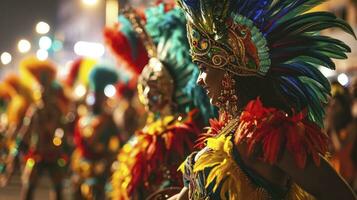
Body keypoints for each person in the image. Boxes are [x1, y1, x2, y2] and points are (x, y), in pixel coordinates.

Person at [170, 0, 357, 199]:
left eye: (204, 68)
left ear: (228, 70)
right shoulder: (227, 130)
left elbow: (340, 194)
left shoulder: (266, 131)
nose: (199, 80)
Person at [104, 4, 216, 199]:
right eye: (144, 85)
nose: (147, 93)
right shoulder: (154, 131)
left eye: (154, 85)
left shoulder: (175, 138)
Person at [17, 57, 70, 200]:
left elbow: (63, 128)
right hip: (37, 152)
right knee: (29, 185)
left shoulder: (56, 109)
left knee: (58, 187)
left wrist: (58, 138)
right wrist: (21, 143)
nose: (42, 92)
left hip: (53, 153)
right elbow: (26, 129)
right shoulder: (34, 110)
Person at [71, 66, 122, 200]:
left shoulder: (108, 119)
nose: (93, 102)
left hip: (100, 167)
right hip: (81, 166)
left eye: (98, 98)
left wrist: (107, 155)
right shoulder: (82, 118)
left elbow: (117, 141)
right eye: (92, 98)